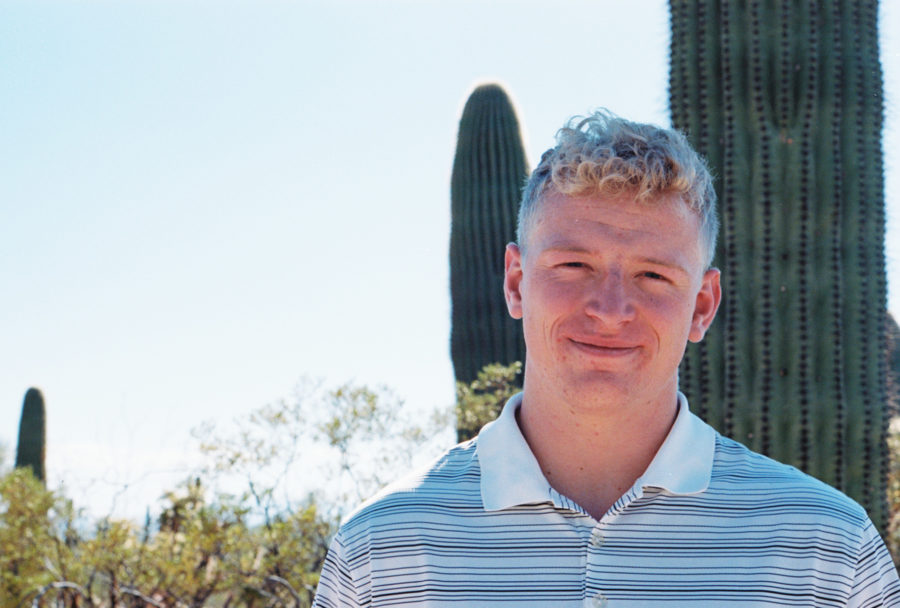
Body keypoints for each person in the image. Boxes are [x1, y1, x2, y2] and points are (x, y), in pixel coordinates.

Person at [313, 110, 900, 607]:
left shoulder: (827, 553)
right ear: (516, 283)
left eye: (653, 275)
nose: (612, 308)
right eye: (574, 266)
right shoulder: (383, 551)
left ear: (701, 305)